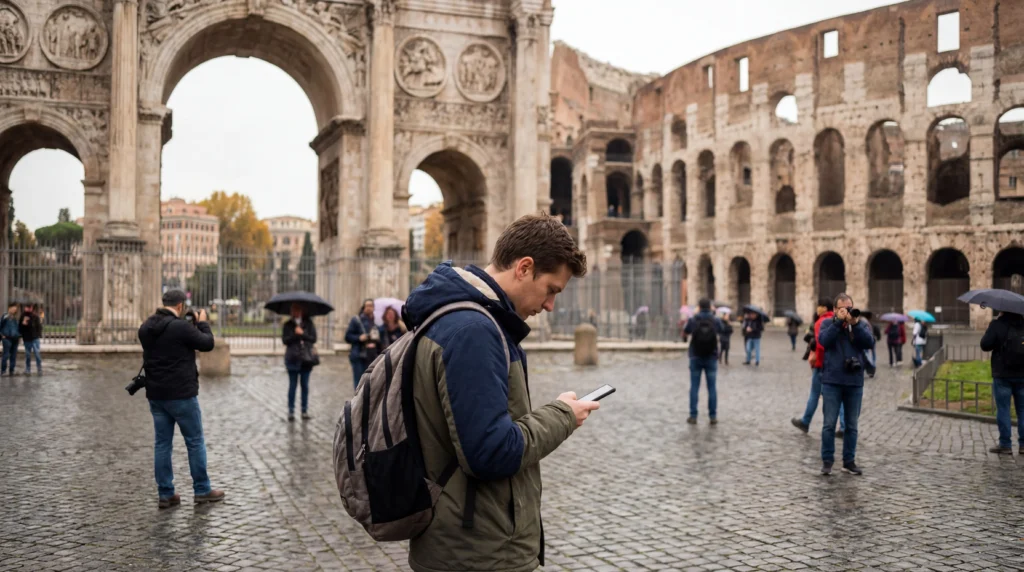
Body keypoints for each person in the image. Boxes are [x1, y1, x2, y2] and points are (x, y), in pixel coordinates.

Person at [402, 213, 597, 572]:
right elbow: (490, 454)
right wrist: (562, 415)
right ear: (524, 268)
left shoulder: (462, 318)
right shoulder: (474, 331)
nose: (550, 305)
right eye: (552, 289)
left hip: (461, 537)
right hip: (479, 549)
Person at [137, 289, 224, 508]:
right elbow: (207, 343)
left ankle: (166, 493)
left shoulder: (146, 327)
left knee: (162, 444)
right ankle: (202, 490)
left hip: (156, 395)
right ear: (179, 306)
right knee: (194, 442)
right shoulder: (180, 327)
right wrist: (202, 323)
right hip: (182, 394)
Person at [818, 293, 874, 476]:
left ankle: (849, 461)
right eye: (842, 308)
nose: (847, 311)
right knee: (828, 424)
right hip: (832, 381)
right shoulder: (828, 324)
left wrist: (855, 324)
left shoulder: (860, 324)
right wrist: (837, 322)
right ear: (835, 310)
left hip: (854, 382)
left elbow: (869, 343)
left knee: (852, 425)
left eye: (849, 307)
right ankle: (827, 461)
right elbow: (824, 341)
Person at [792, 299, 844, 436]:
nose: (817, 308)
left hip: (821, 364)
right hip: (834, 364)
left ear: (823, 308)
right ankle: (843, 426)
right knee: (838, 395)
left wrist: (814, 345)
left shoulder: (820, 322)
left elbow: (822, 344)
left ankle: (806, 421)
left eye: (818, 306)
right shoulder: (835, 320)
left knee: (817, 394)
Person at [979, 310, 1024, 455]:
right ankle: (1023, 445)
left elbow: (985, 345)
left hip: (1002, 374)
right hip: (1022, 374)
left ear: (1003, 309)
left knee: (1003, 409)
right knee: (1023, 410)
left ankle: (1005, 444)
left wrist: (994, 327)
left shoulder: (998, 324)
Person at [683, 298, 725, 424]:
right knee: (712, 387)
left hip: (695, 356)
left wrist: (694, 315)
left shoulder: (694, 319)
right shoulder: (715, 319)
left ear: (699, 307)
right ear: (710, 307)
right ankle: (713, 416)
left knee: (694, 387)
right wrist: (714, 314)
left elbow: (685, 332)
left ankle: (693, 415)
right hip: (711, 357)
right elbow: (722, 330)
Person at [282, 303, 318, 422]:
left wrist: (302, 334)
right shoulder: (288, 325)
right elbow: (285, 340)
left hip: (306, 359)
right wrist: (295, 334)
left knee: (305, 386)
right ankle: (291, 411)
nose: (294, 312)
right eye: (293, 310)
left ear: (302, 310)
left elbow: (313, 339)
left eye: (297, 309)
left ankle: (304, 410)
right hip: (292, 358)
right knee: (292, 386)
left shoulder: (308, 323)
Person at [344, 299, 380, 390]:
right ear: (363, 307)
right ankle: (358, 402)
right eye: (367, 306)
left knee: (369, 381)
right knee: (359, 382)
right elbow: (347, 336)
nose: (369, 308)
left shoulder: (375, 323)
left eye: (371, 306)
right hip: (358, 355)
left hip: (371, 355)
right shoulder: (356, 320)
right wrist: (359, 338)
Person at [19, 304, 42, 375]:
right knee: (28, 355)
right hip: (27, 339)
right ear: (25, 308)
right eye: (27, 307)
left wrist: (38, 335)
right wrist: (23, 324)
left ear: (32, 308)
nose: (28, 309)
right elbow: (20, 328)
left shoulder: (35, 317)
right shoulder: (22, 316)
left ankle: (39, 369)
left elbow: (39, 327)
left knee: (37, 354)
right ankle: (28, 369)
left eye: (30, 307)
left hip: (35, 338)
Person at [1, 302, 20, 376]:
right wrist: (2, 335)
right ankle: (3, 370)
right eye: (13, 308)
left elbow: (18, 328)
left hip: (15, 338)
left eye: (15, 309)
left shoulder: (16, 318)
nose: (14, 310)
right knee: (6, 355)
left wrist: (19, 335)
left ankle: (11, 370)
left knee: (13, 355)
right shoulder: (5, 316)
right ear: (9, 308)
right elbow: (0, 326)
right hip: (7, 338)